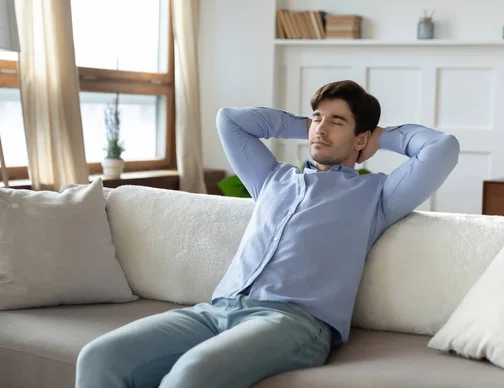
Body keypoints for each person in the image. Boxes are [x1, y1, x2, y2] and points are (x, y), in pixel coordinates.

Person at [75, 80, 460, 388]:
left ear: (361, 139)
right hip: (218, 310)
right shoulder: (272, 178)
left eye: (336, 122)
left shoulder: (374, 195)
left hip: (294, 323)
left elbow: (442, 148)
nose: (321, 129)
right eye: (316, 119)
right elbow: (230, 119)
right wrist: (311, 125)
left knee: (191, 375)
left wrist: (381, 136)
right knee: (100, 357)